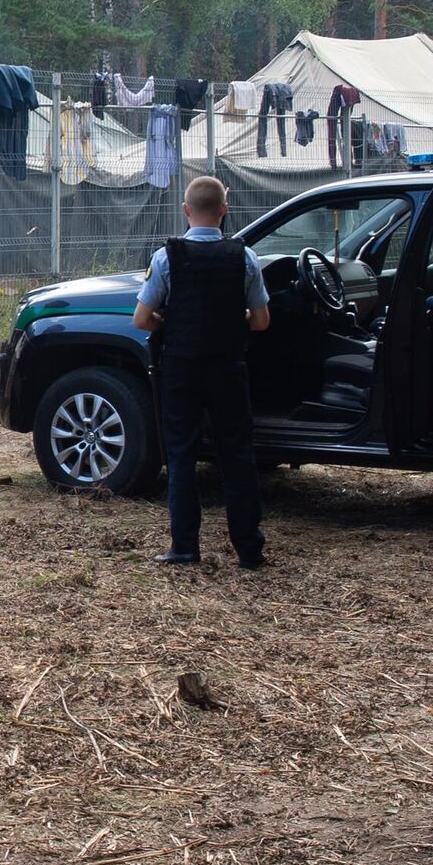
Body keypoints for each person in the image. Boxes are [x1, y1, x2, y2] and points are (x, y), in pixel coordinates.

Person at [132, 176, 270, 570]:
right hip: (228, 367)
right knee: (237, 455)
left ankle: (185, 546)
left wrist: (167, 323)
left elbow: (142, 318)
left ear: (186, 210)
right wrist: (235, 316)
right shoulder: (244, 257)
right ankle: (248, 548)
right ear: (224, 210)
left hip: (181, 368)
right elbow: (260, 322)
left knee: (181, 454)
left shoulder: (166, 258)